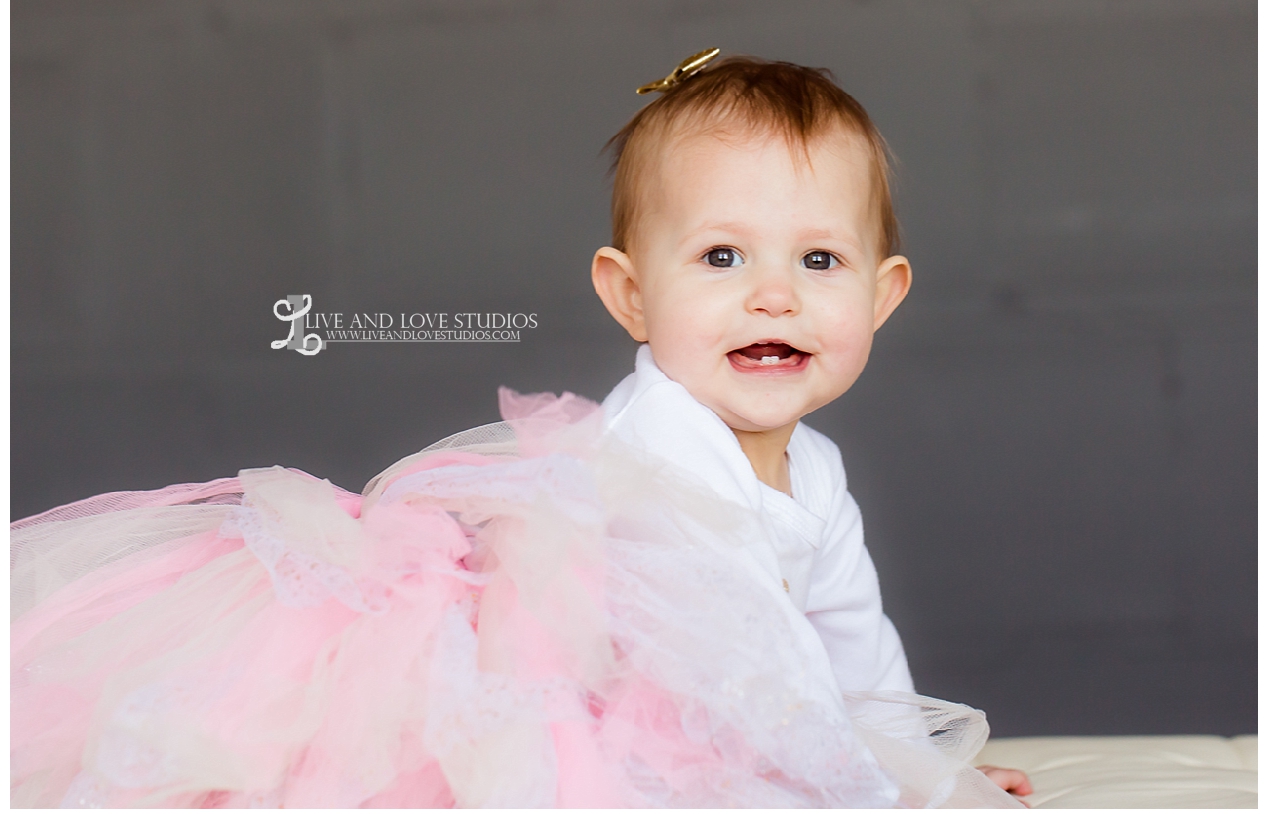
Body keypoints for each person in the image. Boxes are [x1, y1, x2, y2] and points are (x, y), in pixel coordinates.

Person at [11, 50, 1029, 808]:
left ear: (882, 294)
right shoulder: (655, 457)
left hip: (687, 695)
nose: (772, 296)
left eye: (817, 262)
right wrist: (867, 789)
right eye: (720, 257)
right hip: (541, 681)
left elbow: (850, 642)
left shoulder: (817, 469)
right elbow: (758, 661)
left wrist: (920, 759)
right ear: (629, 296)